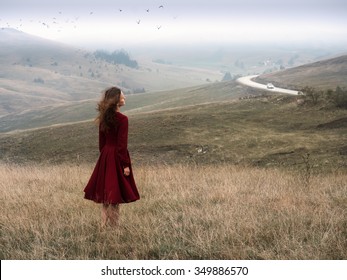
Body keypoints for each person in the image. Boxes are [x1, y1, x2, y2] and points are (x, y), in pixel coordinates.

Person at [84, 86, 140, 227]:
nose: (125, 98)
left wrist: (105, 157)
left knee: (105, 198)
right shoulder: (123, 119)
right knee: (114, 196)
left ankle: (103, 227)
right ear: (116, 100)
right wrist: (125, 164)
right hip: (116, 157)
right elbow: (122, 146)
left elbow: (101, 144)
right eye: (122, 96)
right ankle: (114, 228)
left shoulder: (104, 118)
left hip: (105, 156)